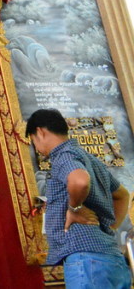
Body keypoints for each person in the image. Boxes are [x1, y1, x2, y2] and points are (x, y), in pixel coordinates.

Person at [26, 108, 131, 288]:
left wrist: (74, 209)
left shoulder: (63, 156)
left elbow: (80, 181)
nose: (36, 147)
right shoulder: (89, 158)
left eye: (33, 141)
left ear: (40, 132)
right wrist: (108, 228)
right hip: (110, 257)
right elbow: (122, 195)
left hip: (86, 259)